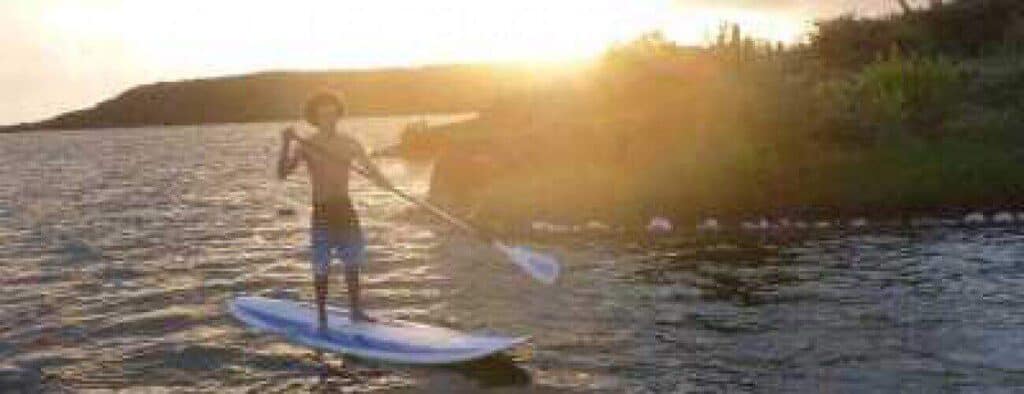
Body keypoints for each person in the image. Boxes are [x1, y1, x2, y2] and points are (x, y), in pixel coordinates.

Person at [277, 91, 393, 328]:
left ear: (338, 115)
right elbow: (282, 174)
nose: (328, 119)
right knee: (322, 266)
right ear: (315, 118)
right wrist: (286, 143)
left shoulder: (350, 143)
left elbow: (371, 169)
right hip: (322, 211)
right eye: (322, 115)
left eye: (332, 114)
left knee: (352, 263)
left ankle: (356, 312)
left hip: (345, 209)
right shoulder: (307, 145)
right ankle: (321, 318)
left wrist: (384, 182)